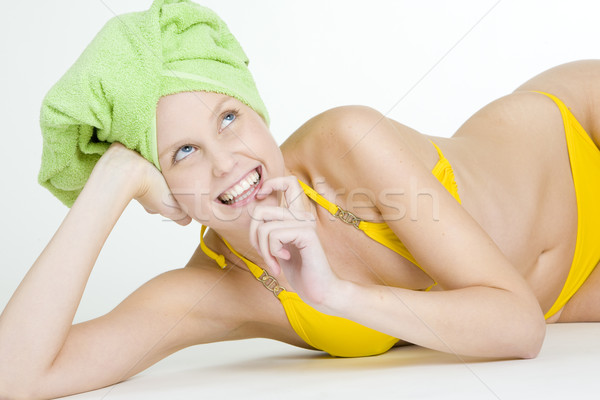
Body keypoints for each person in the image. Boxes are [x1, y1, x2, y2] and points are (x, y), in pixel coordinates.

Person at [1, 0, 600, 398]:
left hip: (577, 133)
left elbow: (515, 324)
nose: (227, 162)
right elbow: (16, 375)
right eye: (183, 153)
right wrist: (108, 184)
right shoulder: (215, 291)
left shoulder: (345, 142)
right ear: (161, 194)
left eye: (230, 118)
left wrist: (348, 296)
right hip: (575, 290)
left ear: (258, 109)